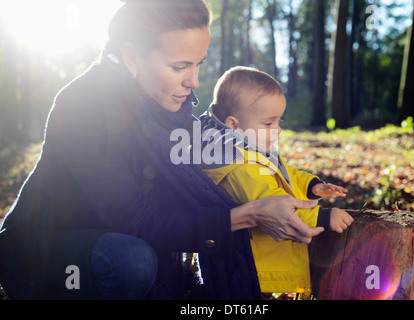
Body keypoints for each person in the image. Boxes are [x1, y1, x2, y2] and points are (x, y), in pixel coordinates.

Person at [0, 0, 323, 300]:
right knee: (132, 261)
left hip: (117, 239)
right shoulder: (82, 107)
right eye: (180, 66)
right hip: (42, 254)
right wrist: (250, 215)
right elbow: (137, 222)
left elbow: (224, 172)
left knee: (152, 265)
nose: (194, 81)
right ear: (131, 58)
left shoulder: (169, 114)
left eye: (198, 64)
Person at [199, 66, 354, 296]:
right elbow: (274, 204)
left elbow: (283, 175)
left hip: (262, 264)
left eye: (279, 121)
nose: (278, 130)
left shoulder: (249, 150)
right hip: (250, 270)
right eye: (269, 123)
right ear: (233, 125)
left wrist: (312, 186)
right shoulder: (236, 166)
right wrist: (321, 217)